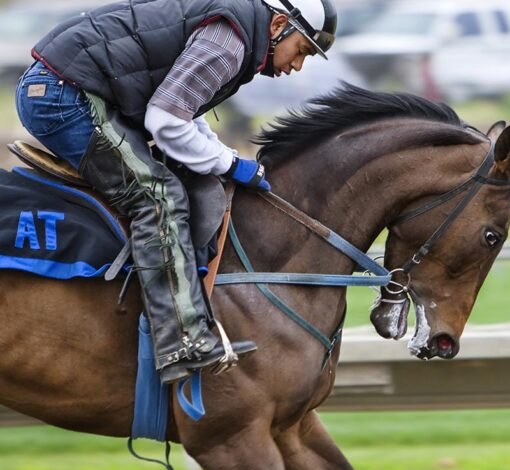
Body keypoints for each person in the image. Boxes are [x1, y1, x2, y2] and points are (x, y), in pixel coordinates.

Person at [15, 0, 338, 384]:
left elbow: (183, 113)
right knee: (158, 197)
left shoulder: (236, 32)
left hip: (73, 89)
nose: (296, 66)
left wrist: (225, 157)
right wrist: (232, 165)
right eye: (301, 50)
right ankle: (181, 341)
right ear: (279, 25)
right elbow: (166, 122)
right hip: (62, 98)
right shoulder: (229, 44)